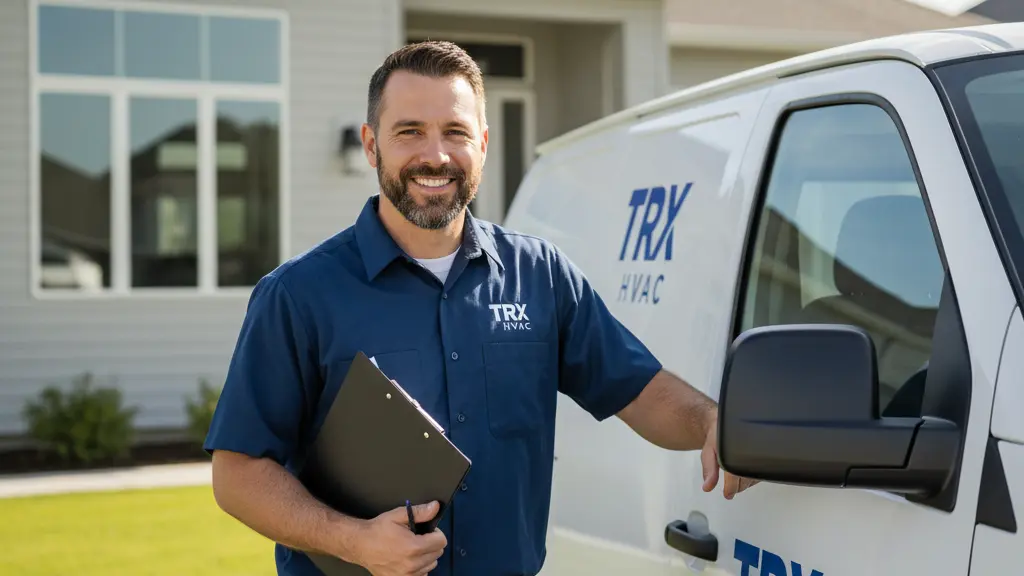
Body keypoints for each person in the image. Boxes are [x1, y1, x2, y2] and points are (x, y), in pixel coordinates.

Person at [204, 40, 756, 576]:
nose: (435, 155)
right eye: (410, 132)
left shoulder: (541, 276)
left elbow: (642, 391)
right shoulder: (298, 295)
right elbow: (238, 474)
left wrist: (713, 422)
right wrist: (355, 542)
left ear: (483, 144)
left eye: (455, 132)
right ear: (372, 145)